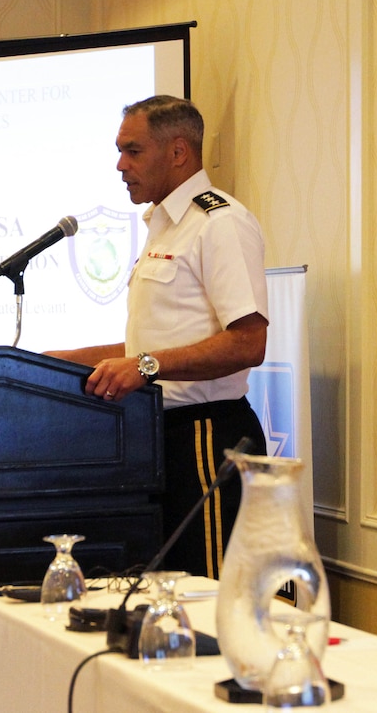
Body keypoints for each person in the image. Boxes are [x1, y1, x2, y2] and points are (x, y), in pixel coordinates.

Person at [47, 95, 269, 579]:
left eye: (133, 151)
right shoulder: (163, 226)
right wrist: (59, 361)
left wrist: (145, 367)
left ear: (178, 152)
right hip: (156, 437)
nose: (120, 165)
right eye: (120, 151)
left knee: (206, 593)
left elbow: (249, 343)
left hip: (207, 439)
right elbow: (148, 345)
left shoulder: (220, 223)